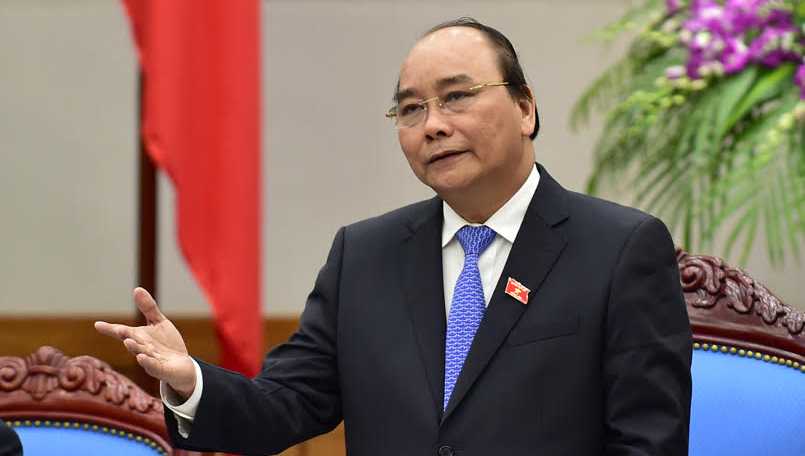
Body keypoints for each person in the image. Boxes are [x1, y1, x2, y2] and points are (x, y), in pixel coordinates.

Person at [96, 17, 692, 455]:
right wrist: (191, 379)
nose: (433, 125)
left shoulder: (619, 249)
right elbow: (288, 404)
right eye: (411, 110)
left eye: (457, 97)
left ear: (525, 109)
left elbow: (647, 442)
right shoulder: (363, 257)